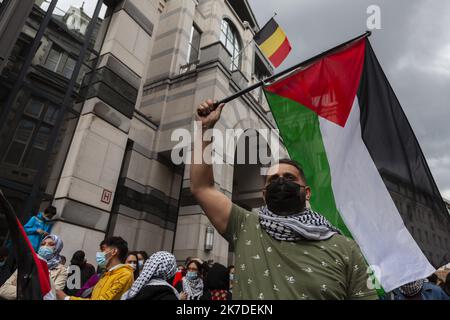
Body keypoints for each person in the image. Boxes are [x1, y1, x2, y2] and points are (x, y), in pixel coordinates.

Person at [190, 99, 378, 300]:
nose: (280, 182)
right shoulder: (245, 225)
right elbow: (202, 187)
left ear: (307, 192)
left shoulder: (345, 248)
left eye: (289, 178)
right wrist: (205, 129)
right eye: (273, 180)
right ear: (264, 193)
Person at [56, 237, 133, 300]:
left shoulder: (125, 275)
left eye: (103, 249)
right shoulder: (106, 274)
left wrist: (67, 298)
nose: (99, 254)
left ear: (114, 251)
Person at [0, 234, 68, 300]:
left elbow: (53, 295)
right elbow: (3, 289)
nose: (45, 247)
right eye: (42, 244)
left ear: (58, 248)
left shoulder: (61, 270)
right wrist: (31, 293)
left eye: (51, 244)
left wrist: (22, 291)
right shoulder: (27, 263)